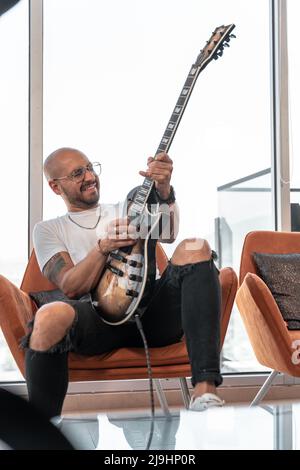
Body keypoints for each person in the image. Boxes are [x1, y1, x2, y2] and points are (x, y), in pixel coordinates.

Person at [23, 147, 224, 420]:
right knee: (48, 316)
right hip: (97, 321)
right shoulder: (48, 229)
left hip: (152, 316)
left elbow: (167, 233)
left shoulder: (128, 208)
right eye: (77, 173)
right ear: (55, 187)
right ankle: (40, 430)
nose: (90, 176)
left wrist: (164, 190)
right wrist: (103, 247)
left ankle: (204, 390)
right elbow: (70, 285)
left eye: (90, 167)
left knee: (196, 246)